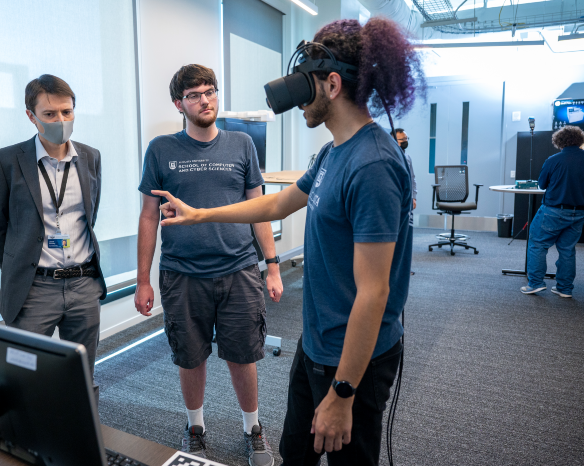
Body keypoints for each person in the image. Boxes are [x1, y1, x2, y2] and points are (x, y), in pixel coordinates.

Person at [152, 18, 424, 466]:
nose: (297, 102)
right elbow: (277, 205)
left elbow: (375, 294)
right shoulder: (333, 152)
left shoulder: (372, 164)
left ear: (332, 84)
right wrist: (201, 213)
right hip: (317, 342)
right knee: (295, 452)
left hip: (352, 362)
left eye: (305, 86)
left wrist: (343, 392)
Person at [135, 64, 283, 465]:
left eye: (210, 91)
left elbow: (260, 210)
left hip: (238, 269)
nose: (205, 100)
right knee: (191, 355)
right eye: (195, 94)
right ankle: (195, 427)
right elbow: (149, 216)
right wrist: (142, 280)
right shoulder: (161, 149)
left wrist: (272, 265)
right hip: (182, 273)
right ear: (179, 104)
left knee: (243, 354)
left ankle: (253, 429)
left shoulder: (242, 145)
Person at [0, 74, 106, 399]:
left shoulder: (90, 157)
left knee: (81, 376)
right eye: (50, 114)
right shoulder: (6, 161)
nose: (60, 120)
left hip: (83, 284)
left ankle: (80, 442)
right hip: (34, 289)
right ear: (31, 116)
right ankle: (29, 442)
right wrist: (21, 264)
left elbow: (88, 217)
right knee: (24, 377)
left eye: (67, 112)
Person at [520, 125, 584, 297]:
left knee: (537, 244)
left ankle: (535, 283)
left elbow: (541, 185)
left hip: (553, 211)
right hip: (579, 213)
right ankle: (564, 289)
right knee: (567, 249)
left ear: (559, 141)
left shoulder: (553, 160)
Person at [392, 128, 417, 275]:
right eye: (403, 140)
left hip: (407, 203)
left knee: (406, 236)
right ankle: (394, 268)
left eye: (407, 139)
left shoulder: (407, 158)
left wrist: (414, 196)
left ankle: (404, 267)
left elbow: (412, 178)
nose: (406, 142)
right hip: (394, 203)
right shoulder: (389, 157)